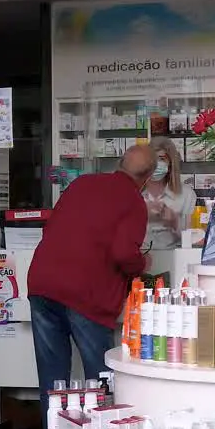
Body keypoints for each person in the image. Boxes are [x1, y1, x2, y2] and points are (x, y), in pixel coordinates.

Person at [28, 145, 154, 408]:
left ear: (119, 163)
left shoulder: (82, 183)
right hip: (86, 293)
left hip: (42, 283)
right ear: (148, 178)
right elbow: (123, 254)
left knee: (53, 377)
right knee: (100, 377)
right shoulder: (133, 200)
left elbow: (53, 226)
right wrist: (142, 262)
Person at [142, 137, 197, 250]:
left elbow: (195, 240)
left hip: (175, 258)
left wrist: (175, 222)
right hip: (138, 259)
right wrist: (140, 214)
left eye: (161, 159)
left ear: (171, 163)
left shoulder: (186, 195)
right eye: (152, 159)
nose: (156, 164)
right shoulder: (134, 193)